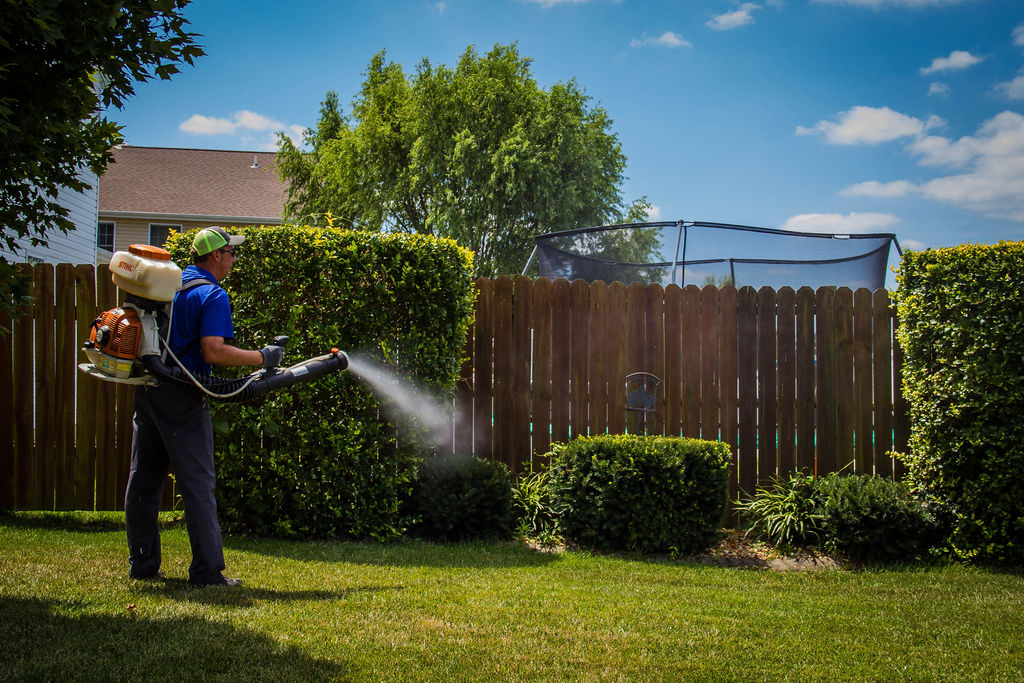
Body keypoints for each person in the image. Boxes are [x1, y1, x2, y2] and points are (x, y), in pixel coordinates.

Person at [124, 226, 283, 586]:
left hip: (149, 390)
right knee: (197, 482)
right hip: (182, 396)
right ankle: (207, 572)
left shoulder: (171, 288)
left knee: (144, 480)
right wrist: (263, 356)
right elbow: (214, 351)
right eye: (231, 253)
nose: (234, 259)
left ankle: (143, 564)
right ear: (216, 256)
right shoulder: (212, 295)